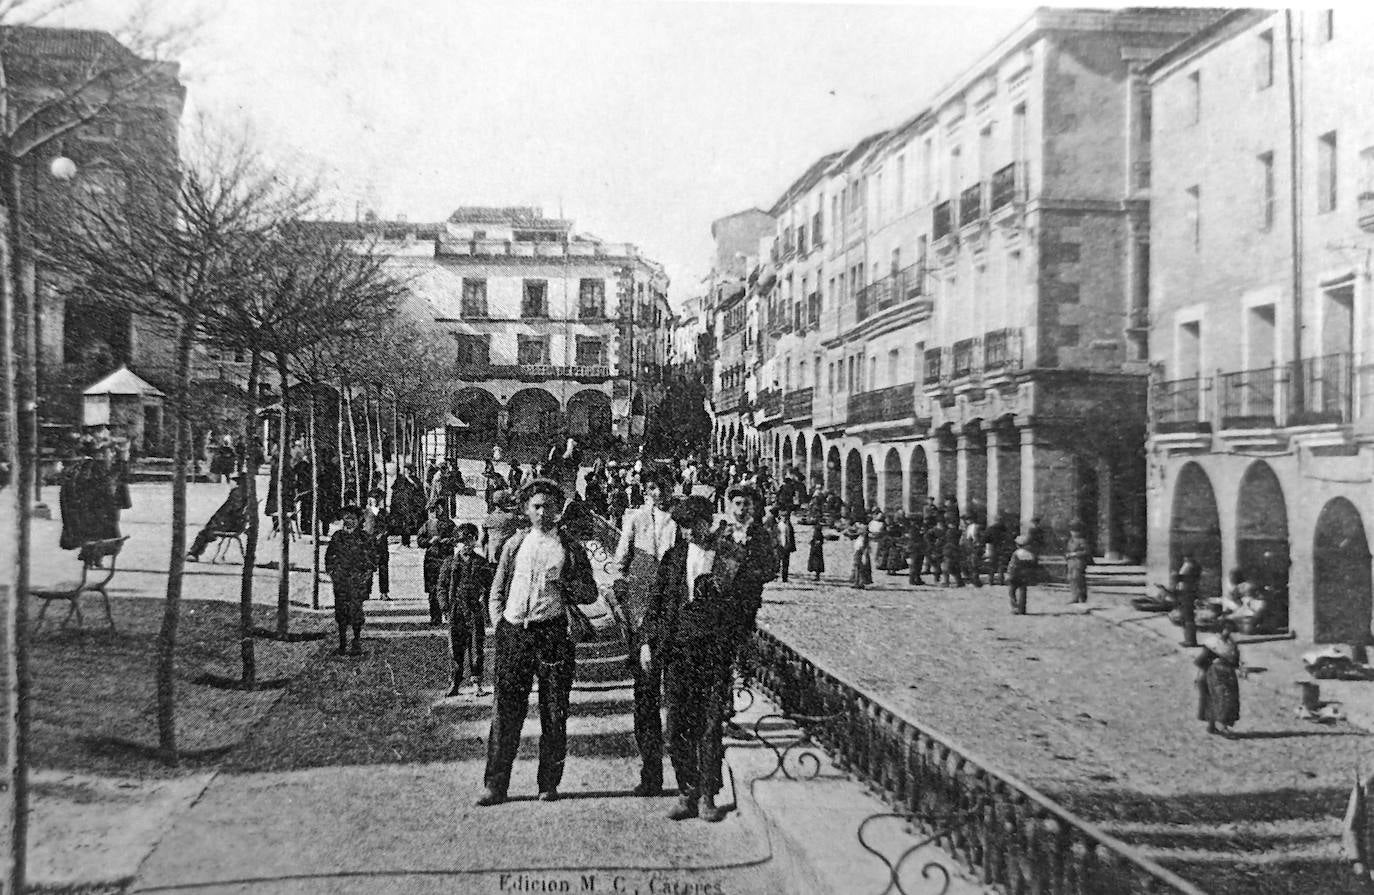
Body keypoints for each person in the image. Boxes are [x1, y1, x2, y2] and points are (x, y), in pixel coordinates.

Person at [477, 480, 599, 807]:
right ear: (527, 510)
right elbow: (497, 590)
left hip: (552, 634)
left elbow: (590, 592)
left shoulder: (570, 548)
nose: (543, 513)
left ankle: (549, 783)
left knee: (554, 711)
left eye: (549, 506)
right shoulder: (516, 544)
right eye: (537, 506)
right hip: (515, 634)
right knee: (506, 711)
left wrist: (567, 583)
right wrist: (500, 623)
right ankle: (495, 785)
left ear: (559, 510)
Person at [648, 495, 739, 823]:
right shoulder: (673, 558)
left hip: (713, 654)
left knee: (709, 725)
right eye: (682, 527)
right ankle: (686, 791)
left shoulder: (727, 558)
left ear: (708, 521)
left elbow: (738, 609)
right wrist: (649, 644)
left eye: (693, 525)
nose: (687, 532)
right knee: (676, 726)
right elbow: (656, 605)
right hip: (678, 652)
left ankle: (708, 796)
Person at [608, 466, 679, 796]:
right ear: (644, 490)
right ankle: (651, 773)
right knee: (646, 696)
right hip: (641, 615)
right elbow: (620, 564)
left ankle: (685, 775)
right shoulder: (635, 519)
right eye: (651, 487)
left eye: (662, 486)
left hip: (675, 616)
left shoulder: (680, 520)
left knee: (677, 696)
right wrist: (626, 596)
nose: (657, 492)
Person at [438, 523, 493, 697]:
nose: (466, 545)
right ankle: (455, 682)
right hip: (456, 610)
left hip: (474, 610)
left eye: (470, 541)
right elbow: (441, 587)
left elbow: (489, 587)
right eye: (462, 542)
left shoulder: (481, 563)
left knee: (476, 647)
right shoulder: (449, 563)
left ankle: (477, 682)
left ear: (475, 541)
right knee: (455, 647)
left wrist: (487, 607)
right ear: (456, 544)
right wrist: (444, 607)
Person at [325, 505, 376, 656]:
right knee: (341, 611)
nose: (350, 521)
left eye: (353, 518)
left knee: (356, 612)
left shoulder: (364, 537)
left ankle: (356, 641)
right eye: (347, 518)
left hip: (357, 581)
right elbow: (329, 557)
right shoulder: (337, 537)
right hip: (340, 580)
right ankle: (342, 643)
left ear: (359, 520)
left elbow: (372, 560)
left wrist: (366, 576)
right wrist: (333, 572)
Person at [1195, 620, 1244, 737]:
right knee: (1221, 699)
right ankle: (1221, 725)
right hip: (1214, 675)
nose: (1227, 632)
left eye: (1230, 630)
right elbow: (1202, 662)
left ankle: (1214, 725)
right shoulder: (1213, 643)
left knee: (1226, 698)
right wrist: (1200, 677)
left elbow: (1235, 660)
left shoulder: (1231, 644)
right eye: (1226, 629)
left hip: (1228, 675)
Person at [185, 474, 250, 561]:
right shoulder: (245, 493)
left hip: (229, 525)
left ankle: (193, 553)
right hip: (237, 525)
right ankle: (193, 552)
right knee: (207, 530)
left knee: (205, 532)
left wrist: (216, 521)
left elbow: (227, 510)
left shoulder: (236, 494)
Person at [417, 503, 456, 625]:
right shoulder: (427, 525)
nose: (434, 512)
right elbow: (420, 540)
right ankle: (435, 618)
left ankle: (449, 615)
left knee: (448, 587)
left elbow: (457, 537)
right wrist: (429, 541)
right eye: (432, 510)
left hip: (446, 558)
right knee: (433, 590)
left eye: (437, 509)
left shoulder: (450, 524)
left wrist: (448, 541)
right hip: (432, 560)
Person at [481, 490, 523, 565]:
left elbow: (483, 540)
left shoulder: (488, 518)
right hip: (506, 555)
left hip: (492, 555)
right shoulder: (511, 517)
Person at [364, 489, 391, 600]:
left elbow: (389, 527)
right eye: (373, 498)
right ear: (370, 499)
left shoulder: (384, 513)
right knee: (368, 568)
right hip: (369, 544)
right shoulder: (365, 513)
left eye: (377, 499)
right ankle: (366, 592)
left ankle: (383, 593)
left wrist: (383, 534)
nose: (375, 501)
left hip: (382, 544)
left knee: (383, 569)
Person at [389, 466, 426, 548]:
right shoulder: (399, 480)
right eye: (406, 470)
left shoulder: (415, 479)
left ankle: (420, 542)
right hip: (402, 506)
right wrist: (394, 505)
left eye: (409, 470)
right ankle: (405, 542)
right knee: (404, 524)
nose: (408, 471)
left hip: (412, 506)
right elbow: (394, 493)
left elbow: (419, 491)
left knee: (415, 524)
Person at [1173, 552, 1202, 648]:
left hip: (1187, 592)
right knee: (1186, 617)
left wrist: (1176, 577)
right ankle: (1188, 639)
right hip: (1187, 591)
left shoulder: (1190, 566)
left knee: (1188, 617)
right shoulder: (1191, 566)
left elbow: (1186, 578)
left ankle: (1190, 640)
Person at [1006, 534, 1038, 615]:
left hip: (1015, 574)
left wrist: (1008, 574)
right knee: (1023, 591)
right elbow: (1034, 565)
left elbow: (1012, 565)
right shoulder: (1030, 554)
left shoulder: (1016, 553)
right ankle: (1022, 608)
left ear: (1017, 545)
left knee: (1012, 591)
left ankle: (1014, 607)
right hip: (1025, 575)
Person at [1065, 522, 1090, 604]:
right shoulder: (1071, 541)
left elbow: (1086, 551)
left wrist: (1075, 554)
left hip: (1079, 561)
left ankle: (1082, 596)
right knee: (1071, 578)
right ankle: (1074, 596)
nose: (1073, 533)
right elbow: (1068, 549)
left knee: (1078, 578)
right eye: (1072, 531)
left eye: (1075, 531)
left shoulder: (1082, 541)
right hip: (1071, 562)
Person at [850, 523, 873, 589]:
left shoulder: (864, 540)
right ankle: (859, 582)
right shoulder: (862, 538)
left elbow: (862, 548)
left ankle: (859, 583)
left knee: (859, 569)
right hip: (859, 554)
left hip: (860, 554)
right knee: (859, 569)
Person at [777, 508, 796, 583]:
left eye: (786, 516)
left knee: (786, 562)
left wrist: (791, 546)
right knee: (778, 561)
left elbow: (791, 537)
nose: (784, 518)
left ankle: (784, 577)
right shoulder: (779, 525)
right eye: (783, 516)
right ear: (780, 517)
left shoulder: (789, 525)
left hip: (786, 546)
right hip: (780, 545)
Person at [906, 515, 925, 585]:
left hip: (918, 549)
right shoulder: (913, 529)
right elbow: (913, 539)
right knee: (914, 565)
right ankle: (912, 579)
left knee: (919, 565)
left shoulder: (916, 528)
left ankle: (917, 578)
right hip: (914, 549)